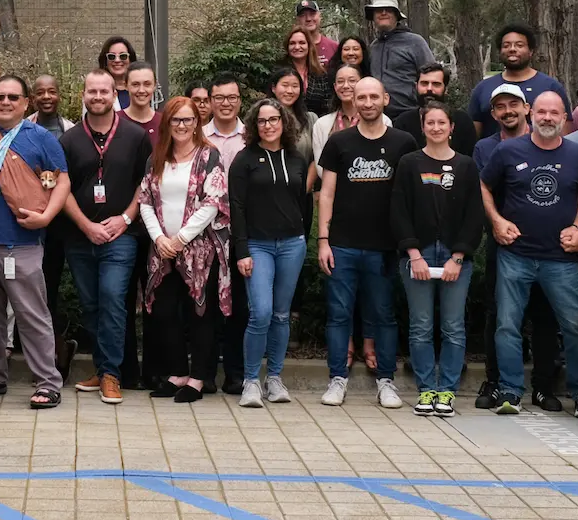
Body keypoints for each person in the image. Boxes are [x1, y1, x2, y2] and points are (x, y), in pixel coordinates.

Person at [481, 90, 578, 416]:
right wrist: (496, 220)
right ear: (531, 113)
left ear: (565, 118)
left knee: (575, 326)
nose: (548, 117)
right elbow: (485, 186)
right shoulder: (507, 150)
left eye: (555, 113)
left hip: (561, 259)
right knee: (507, 325)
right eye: (543, 111)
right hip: (515, 254)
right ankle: (509, 392)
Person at [0, 75, 71, 410]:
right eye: (0, 96)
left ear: (25, 103)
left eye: (13, 97)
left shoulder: (41, 139)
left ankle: (48, 382)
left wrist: (47, 216)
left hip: (22, 243)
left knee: (32, 314)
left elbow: (62, 180)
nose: (5, 102)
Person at [315, 77, 419, 408]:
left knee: (384, 315)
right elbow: (326, 193)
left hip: (385, 246)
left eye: (374, 96)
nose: (368, 102)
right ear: (354, 102)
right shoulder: (339, 142)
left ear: (385, 99)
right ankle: (337, 379)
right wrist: (323, 240)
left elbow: (409, 196)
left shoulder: (404, 142)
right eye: (362, 97)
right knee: (339, 313)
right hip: (343, 244)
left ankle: (386, 381)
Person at [61, 69, 151, 404]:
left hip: (121, 236)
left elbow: (146, 183)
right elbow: (62, 187)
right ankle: (101, 369)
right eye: (92, 92)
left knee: (113, 299)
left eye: (104, 91)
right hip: (80, 236)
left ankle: (113, 374)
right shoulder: (69, 140)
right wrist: (86, 225)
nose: (98, 97)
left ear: (116, 93)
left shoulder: (135, 135)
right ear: (83, 95)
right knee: (92, 305)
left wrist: (125, 219)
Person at [390, 100, 484, 417]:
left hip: (455, 257)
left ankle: (447, 391)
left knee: (453, 326)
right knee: (420, 325)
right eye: (430, 123)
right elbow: (399, 211)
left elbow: (474, 215)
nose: (436, 128)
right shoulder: (409, 163)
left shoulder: (466, 166)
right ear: (423, 127)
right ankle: (426, 389)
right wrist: (413, 253)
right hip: (418, 255)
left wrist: (458, 257)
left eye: (441, 123)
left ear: (451, 127)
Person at [138, 97, 231, 402]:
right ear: (167, 124)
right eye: (176, 120)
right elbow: (146, 201)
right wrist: (160, 240)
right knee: (165, 313)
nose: (181, 125)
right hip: (163, 251)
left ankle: (199, 378)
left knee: (200, 313)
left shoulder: (209, 157)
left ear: (196, 123)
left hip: (200, 250)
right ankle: (177, 373)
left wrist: (181, 239)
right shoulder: (157, 158)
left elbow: (213, 202)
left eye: (188, 120)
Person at [229, 98, 310, 408]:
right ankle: (251, 380)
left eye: (274, 119)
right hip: (258, 246)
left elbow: (305, 204)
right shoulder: (244, 160)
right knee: (260, 312)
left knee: (280, 314)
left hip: (292, 245)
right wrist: (242, 250)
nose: (268, 125)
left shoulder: (297, 159)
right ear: (254, 125)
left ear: (283, 121)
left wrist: (303, 236)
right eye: (262, 121)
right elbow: (236, 207)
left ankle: (274, 378)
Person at [467, 24, 569, 140]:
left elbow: (565, 134)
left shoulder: (551, 87)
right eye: (506, 45)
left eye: (519, 45)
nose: (512, 49)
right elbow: (473, 135)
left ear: (531, 51)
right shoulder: (483, 88)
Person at [364, 0, 436, 119]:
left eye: (389, 10)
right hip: (378, 118)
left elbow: (433, 76)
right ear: (373, 16)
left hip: (410, 114)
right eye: (379, 10)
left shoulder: (415, 42)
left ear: (397, 15)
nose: (384, 13)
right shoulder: (373, 47)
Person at [393, 64, 478, 153]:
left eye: (436, 84)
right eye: (424, 83)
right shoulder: (403, 122)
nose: (429, 89)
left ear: (446, 89)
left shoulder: (463, 121)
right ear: (416, 87)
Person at [311, 64, 368, 160]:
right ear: (335, 86)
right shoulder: (321, 124)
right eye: (340, 81)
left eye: (352, 81)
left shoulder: (382, 121)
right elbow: (320, 165)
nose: (345, 86)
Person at [279, 28, 334, 117]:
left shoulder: (321, 74)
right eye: (292, 43)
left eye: (302, 43)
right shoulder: (279, 71)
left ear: (309, 45)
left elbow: (328, 104)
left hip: (317, 125)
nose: (297, 47)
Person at [203, 76, 246, 164]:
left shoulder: (252, 136)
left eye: (232, 97)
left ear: (240, 101)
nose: (226, 103)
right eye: (219, 98)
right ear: (210, 101)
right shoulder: (199, 136)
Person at [124, 62, 162, 144]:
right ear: (126, 86)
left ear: (155, 85)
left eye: (147, 84)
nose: (141, 90)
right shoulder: (114, 121)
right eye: (135, 84)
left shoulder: (164, 122)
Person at [294, 0, 339, 67]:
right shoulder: (294, 49)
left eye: (312, 14)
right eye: (303, 15)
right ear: (297, 20)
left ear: (320, 16)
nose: (308, 19)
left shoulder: (334, 47)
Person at [268, 69, 310, 142]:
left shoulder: (310, 119)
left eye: (295, 86)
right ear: (273, 88)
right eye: (285, 85)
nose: (290, 91)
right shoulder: (264, 118)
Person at [97, 36, 137, 108]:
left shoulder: (142, 89)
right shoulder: (96, 91)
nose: (117, 60)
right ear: (105, 61)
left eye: (123, 56)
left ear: (131, 60)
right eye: (111, 56)